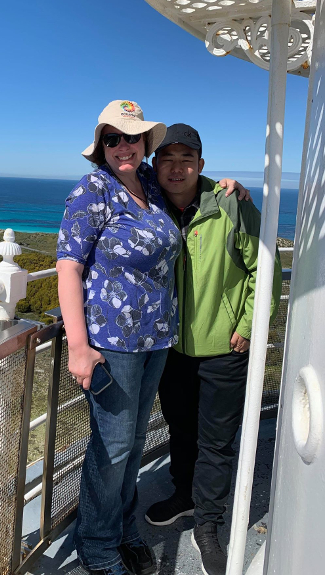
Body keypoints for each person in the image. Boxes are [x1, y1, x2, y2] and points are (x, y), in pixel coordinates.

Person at [56, 103, 248, 575]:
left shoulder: (149, 184)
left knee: (134, 442)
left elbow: (186, 179)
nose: (124, 146)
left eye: (132, 137)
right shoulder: (93, 189)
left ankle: (123, 530)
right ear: (101, 146)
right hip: (113, 344)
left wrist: (230, 188)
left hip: (156, 342)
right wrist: (78, 346)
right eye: (112, 139)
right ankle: (98, 545)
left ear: (145, 143)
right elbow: (68, 268)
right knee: (112, 447)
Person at [144, 124, 282, 575]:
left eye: (187, 158)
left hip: (224, 346)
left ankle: (208, 526)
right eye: (167, 158)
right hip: (171, 347)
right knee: (181, 429)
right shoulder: (147, 207)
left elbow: (265, 266)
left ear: (201, 165)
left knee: (217, 442)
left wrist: (246, 324)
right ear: (155, 165)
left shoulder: (231, 205)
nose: (177, 167)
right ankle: (185, 495)